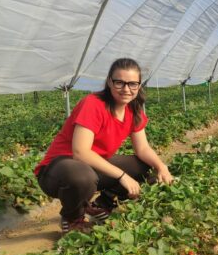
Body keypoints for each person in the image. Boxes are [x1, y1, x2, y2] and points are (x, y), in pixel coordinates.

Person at [35, 58, 173, 233]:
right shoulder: (93, 104)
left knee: (145, 166)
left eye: (132, 84)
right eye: (119, 83)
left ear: (139, 85)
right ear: (109, 82)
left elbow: (143, 149)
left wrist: (162, 167)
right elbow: (80, 153)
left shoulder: (134, 109)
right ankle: (72, 218)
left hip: (91, 167)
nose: (126, 89)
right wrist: (123, 176)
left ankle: (101, 205)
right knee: (82, 176)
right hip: (58, 172)